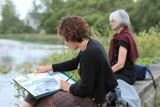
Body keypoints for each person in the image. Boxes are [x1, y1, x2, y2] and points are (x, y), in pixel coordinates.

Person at [19, 14, 118, 107]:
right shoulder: (89, 45)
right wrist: (48, 68)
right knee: (36, 92)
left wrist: (69, 88)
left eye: (65, 40)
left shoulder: (90, 53)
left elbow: (85, 90)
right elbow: (74, 63)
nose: (65, 44)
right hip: (85, 91)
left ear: (71, 36)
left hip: (94, 99)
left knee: (46, 102)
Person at [108, 9, 139, 85]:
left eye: (112, 21)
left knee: (100, 79)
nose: (110, 23)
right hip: (121, 74)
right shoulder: (120, 36)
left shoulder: (124, 38)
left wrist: (105, 73)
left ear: (119, 21)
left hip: (126, 76)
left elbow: (120, 64)